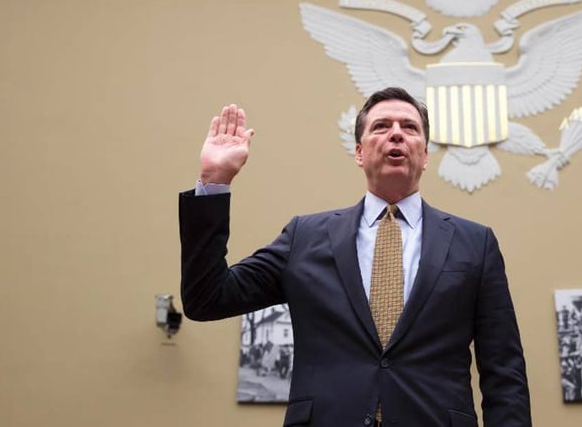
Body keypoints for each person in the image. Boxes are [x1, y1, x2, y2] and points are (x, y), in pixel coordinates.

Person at [179, 87, 531, 426]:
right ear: (360, 152)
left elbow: (504, 370)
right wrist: (215, 181)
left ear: (425, 155)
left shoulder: (474, 243)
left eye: (410, 128)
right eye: (381, 126)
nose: (396, 135)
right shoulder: (305, 237)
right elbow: (206, 299)